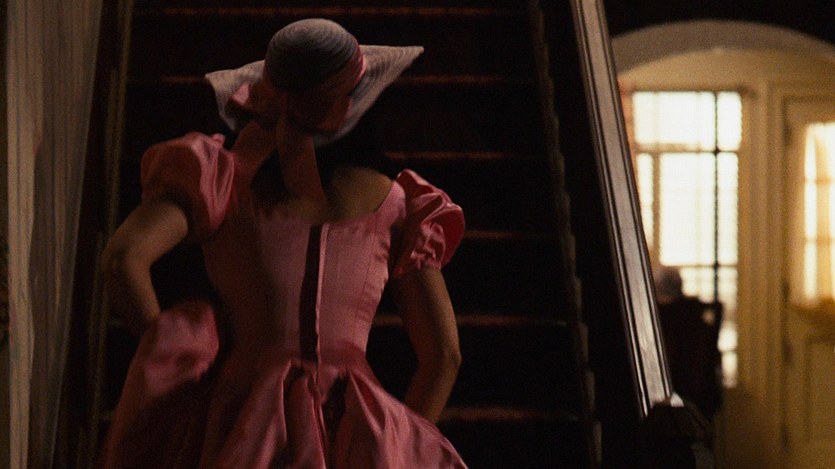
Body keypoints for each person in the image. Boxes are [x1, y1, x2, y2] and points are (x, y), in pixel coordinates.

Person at [99, 18, 468, 468]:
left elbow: (123, 258)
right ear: (357, 105)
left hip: (240, 420)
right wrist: (401, 442)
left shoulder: (222, 179)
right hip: (356, 429)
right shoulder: (401, 205)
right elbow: (444, 355)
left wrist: (173, 359)